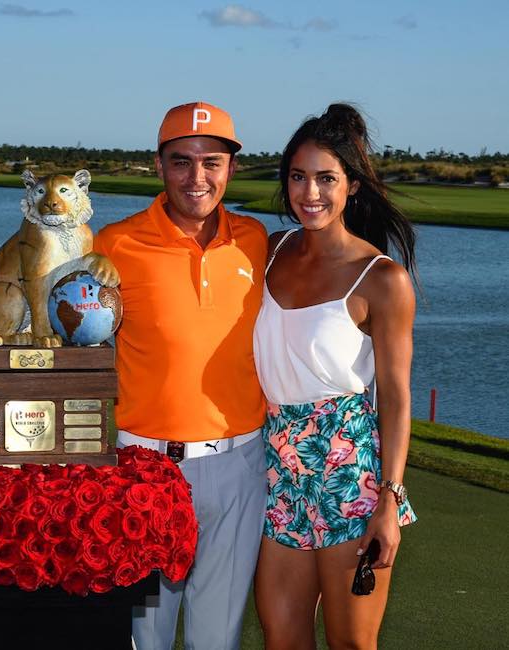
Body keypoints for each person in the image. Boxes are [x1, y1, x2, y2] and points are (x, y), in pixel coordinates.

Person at [94, 102, 269, 649]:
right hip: (142, 469)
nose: (198, 177)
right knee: (144, 639)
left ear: (231, 168)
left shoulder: (257, 241)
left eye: (211, 162)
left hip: (239, 466)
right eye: (181, 162)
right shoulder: (113, 244)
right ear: (159, 165)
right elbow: (60, 313)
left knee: (216, 641)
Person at [253, 104, 417, 650]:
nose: (310, 192)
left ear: (352, 187)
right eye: (298, 177)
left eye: (326, 178)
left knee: (351, 643)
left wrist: (389, 500)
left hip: (348, 473)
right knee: (283, 637)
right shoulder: (270, 252)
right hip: (278, 467)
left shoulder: (382, 280)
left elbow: (394, 395)